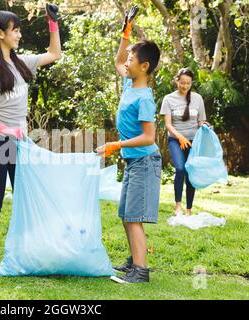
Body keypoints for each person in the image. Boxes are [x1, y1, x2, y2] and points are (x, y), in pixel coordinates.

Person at [0, 5, 61, 273]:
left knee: (26, 197)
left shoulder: (20, 63)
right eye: (15, 30)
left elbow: (55, 54)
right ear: (0, 33)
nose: (19, 35)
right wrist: (3, 128)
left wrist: (53, 23)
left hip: (20, 143)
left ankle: (29, 252)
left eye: (19, 30)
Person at [96, 5, 162, 283]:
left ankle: (141, 272)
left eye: (133, 59)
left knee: (133, 217)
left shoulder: (144, 97)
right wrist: (126, 31)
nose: (127, 62)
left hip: (145, 160)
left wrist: (115, 146)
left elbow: (149, 137)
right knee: (126, 214)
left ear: (144, 66)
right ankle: (134, 260)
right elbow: (118, 60)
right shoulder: (129, 85)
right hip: (135, 161)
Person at [159, 68, 209, 216]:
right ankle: (178, 206)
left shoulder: (198, 98)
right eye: (182, 83)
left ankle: (188, 210)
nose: (185, 86)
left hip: (194, 141)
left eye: (188, 83)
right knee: (180, 169)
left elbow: (200, 121)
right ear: (177, 81)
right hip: (176, 140)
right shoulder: (169, 99)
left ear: (191, 83)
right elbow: (168, 124)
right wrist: (180, 137)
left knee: (190, 172)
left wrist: (205, 125)